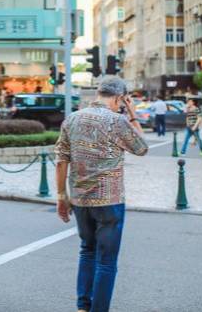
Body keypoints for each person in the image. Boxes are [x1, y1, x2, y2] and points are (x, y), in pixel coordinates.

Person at [55, 76, 148, 312]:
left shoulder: (72, 119)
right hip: (110, 201)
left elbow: (61, 161)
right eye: (122, 102)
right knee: (106, 261)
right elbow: (142, 147)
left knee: (87, 251)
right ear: (119, 98)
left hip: (80, 199)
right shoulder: (117, 121)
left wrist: (61, 197)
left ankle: (82, 307)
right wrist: (133, 114)